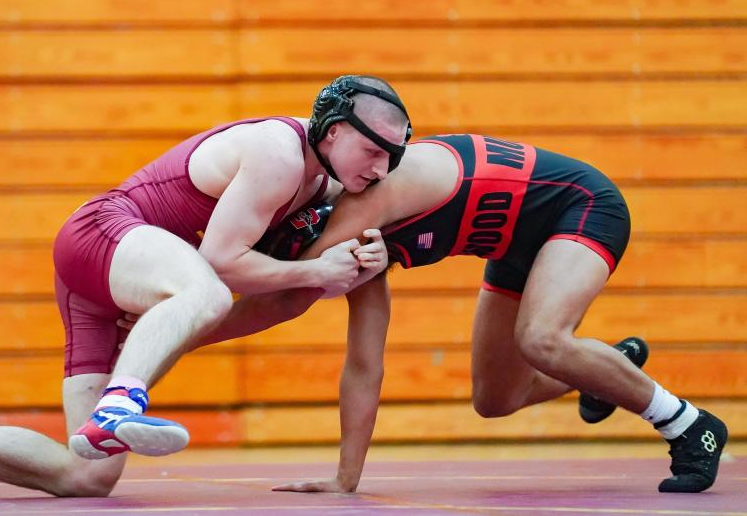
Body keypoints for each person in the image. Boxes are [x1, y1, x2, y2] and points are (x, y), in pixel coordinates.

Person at [0, 75, 411, 504]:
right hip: (103, 233)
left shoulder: (321, 185)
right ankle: (121, 403)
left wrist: (363, 259)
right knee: (207, 293)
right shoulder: (278, 154)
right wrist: (316, 272)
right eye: (374, 152)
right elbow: (220, 264)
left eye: (394, 159)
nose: (383, 170)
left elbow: (282, 293)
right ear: (334, 132)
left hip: (109, 280)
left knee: (87, 475)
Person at [202, 134, 728, 494]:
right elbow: (365, 363)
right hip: (517, 241)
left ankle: (690, 425)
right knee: (495, 399)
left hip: (580, 205)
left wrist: (187, 330)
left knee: (542, 338)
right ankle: (608, 370)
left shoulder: (363, 209)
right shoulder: (362, 247)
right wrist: (346, 477)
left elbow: (285, 298)